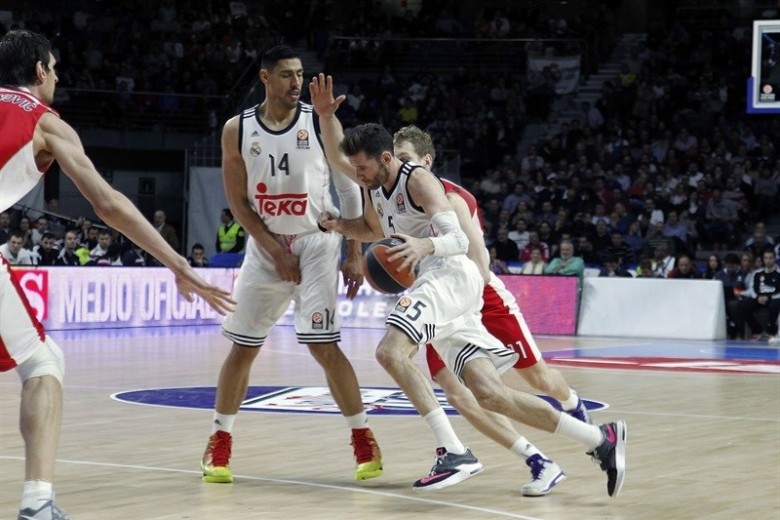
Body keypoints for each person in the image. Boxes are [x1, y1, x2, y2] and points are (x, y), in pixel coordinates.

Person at [317, 119, 626, 496]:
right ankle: (599, 439)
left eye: (362, 167)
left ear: (384, 158)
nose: (357, 175)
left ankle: (453, 452)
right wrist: (339, 227)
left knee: (390, 352)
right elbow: (371, 230)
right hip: (444, 288)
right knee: (490, 395)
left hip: (449, 274)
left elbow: (459, 239)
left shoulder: (418, 180)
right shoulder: (377, 187)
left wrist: (424, 246)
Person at [0, 29, 235, 520]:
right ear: (40, 72)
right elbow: (107, 204)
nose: (58, 76)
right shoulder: (47, 124)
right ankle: (38, 502)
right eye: (56, 68)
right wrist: (178, 263)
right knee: (43, 364)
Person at [200, 45, 382, 487]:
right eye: (286, 75)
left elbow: (350, 184)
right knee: (244, 347)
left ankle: (362, 437)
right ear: (264, 78)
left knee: (323, 345)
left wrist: (353, 251)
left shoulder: (318, 123)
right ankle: (219, 440)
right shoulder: (236, 129)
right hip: (266, 247)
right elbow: (239, 203)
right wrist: (273, 249)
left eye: (299, 74)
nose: (296, 82)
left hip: (318, 242)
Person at [391, 124, 595, 495]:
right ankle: (538, 461)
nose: (400, 168)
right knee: (458, 394)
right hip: (442, 303)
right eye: (396, 160)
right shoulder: (396, 198)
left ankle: (576, 408)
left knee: (538, 379)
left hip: (482, 296)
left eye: (406, 160)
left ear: (427, 161)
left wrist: (460, 295)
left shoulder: (453, 197)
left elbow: (479, 260)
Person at [734, 248, 780, 340]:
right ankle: (757, 330)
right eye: (766, 258)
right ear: (763, 259)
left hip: (774, 298)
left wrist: (769, 297)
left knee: (775, 304)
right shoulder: (757, 273)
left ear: (774, 259)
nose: (768, 260)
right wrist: (758, 297)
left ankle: (771, 331)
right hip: (759, 298)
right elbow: (752, 289)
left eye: (770, 258)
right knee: (742, 305)